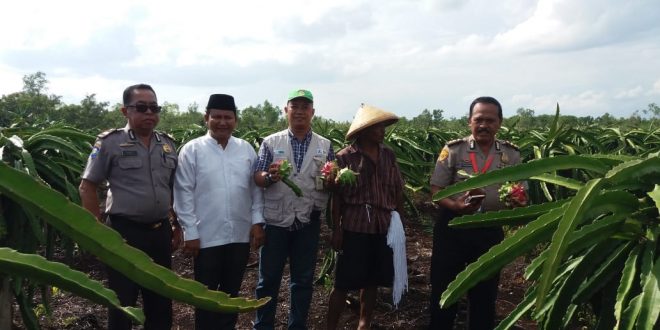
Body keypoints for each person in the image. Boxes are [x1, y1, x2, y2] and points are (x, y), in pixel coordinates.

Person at [79, 83, 183, 330]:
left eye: (154, 107)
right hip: (124, 234)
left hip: (159, 234)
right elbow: (87, 186)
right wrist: (95, 233)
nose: (149, 113)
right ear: (125, 111)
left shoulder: (167, 144)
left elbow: (173, 190)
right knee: (123, 303)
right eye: (142, 107)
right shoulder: (110, 142)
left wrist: (177, 225)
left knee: (160, 301)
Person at [428, 96, 525, 329]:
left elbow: (521, 191)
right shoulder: (454, 150)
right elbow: (436, 190)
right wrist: (456, 207)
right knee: (444, 287)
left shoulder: (511, 154)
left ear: (499, 123)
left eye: (490, 120)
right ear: (469, 121)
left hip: (489, 229)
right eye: (479, 119)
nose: (484, 125)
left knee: (485, 291)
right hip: (453, 227)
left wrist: (517, 201)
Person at [174, 94, 265, 329]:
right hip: (206, 236)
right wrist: (190, 232)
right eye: (217, 117)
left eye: (228, 117)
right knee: (204, 295)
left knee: (231, 294)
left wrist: (257, 222)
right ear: (207, 118)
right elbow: (183, 193)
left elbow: (255, 191)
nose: (222, 122)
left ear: (235, 120)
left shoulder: (245, 150)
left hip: (239, 234)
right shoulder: (192, 150)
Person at [252, 89, 335, 329]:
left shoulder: (325, 145)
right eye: (294, 106)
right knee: (267, 280)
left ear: (313, 113)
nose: (299, 111)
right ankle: (263, 325)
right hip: (276, 220)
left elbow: (330, 174)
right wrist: (269, 176)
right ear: (285, 110)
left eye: (305, 107)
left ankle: (297, 326)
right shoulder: (271, 142)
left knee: (303, 280)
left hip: (308, 220)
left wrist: (333, 180)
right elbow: (257, 175)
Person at [326, 104, 406, 330]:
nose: (382, 131)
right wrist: (337, 229)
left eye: (382, 127)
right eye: (377, 127)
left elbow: (397, 190)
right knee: (342, 282)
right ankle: (331, 326)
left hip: (383, 225)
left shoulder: (388, 155)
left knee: (372, 280)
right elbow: (337, 196)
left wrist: (400, 222)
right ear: (365, 130)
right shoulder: (344, 157)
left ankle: (364, 323)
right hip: (355, 225)